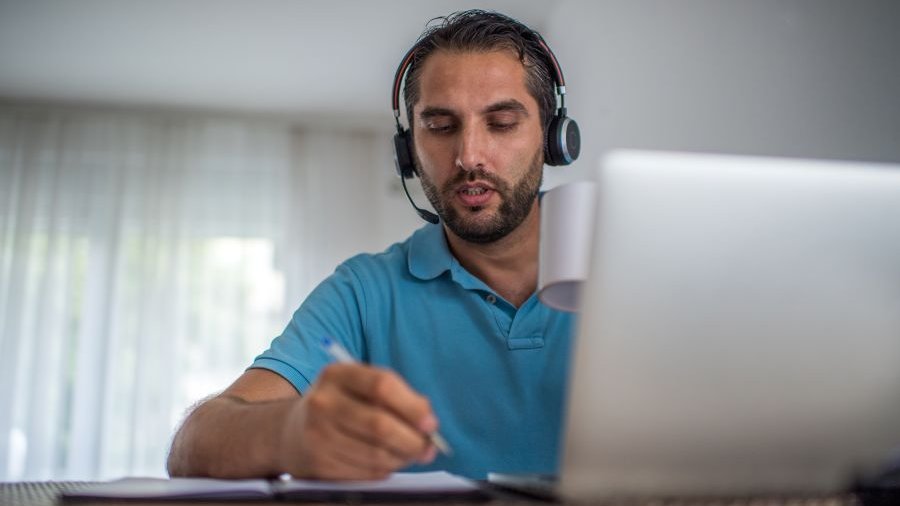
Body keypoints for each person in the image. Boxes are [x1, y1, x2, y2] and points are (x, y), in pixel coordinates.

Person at [167, 9, 579, 481]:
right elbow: (191, 447)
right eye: (441, 126)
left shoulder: (633, 270)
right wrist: (291, 432)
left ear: (553, 138)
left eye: (501, 123)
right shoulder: (365, 291)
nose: (469, 156)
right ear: (408, 151)